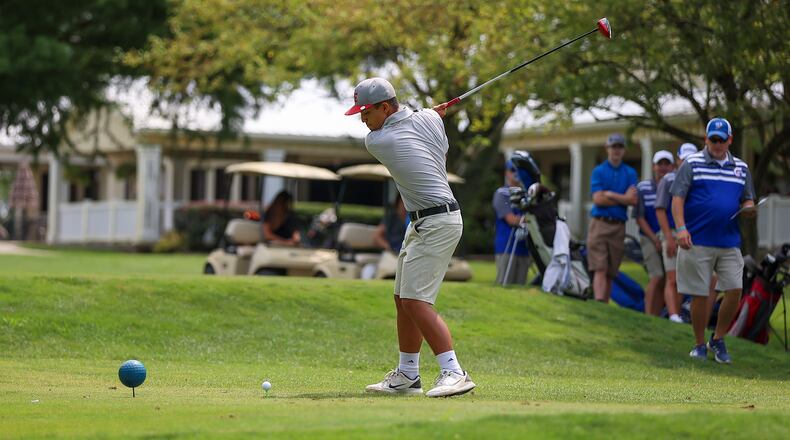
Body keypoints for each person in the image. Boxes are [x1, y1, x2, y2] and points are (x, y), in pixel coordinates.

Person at [345, 77, 475, 397]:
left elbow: (402, 128)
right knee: (402, 300)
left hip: (437, 222)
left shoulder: (378, 141)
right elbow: (421, 120)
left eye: (367, 112)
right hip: (423, 221)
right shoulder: (429, 119)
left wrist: (429, 112)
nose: (363, 120)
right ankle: (407, 375)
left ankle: (453, 372)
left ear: (386, 107)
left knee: (416, 302)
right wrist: (430, 113)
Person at [671, 118, 755, 363]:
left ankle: (717, 339)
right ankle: (699, 344)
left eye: (721, 139)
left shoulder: (742, 168)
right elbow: (677, 198)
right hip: (697, 240)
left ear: (730, 140)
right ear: (706, 139)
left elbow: (747, 199)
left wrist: (749, 208)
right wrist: (680, 229)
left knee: (735, 289)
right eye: (713, 139)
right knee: (699, 295)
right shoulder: (692, 164)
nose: (717, 144)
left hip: (729, 241)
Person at [587, 133, 638, 302]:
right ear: (607, 148)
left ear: (623, 150)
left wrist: (610, 194)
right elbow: (598, 199)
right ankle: (599, 302)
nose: (616, 150)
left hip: (619, 226)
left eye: (619, 147)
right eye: (613, 147)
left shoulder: (630, 173)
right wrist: (622, 198)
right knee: (599, 268)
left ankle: (604, 303)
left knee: (611, 270)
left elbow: (633, 200)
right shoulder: (599, 171)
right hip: (599, 223)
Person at [655, 143, 697, 323]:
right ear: (678, 160)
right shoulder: (669, 179)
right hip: (672, 233)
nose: (687, 162)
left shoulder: (700, 179)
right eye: (684, 159)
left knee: (688, 278)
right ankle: (673, 316)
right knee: (672, 276)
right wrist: (669, 237)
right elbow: (660, 209)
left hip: (694, 233)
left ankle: (681, 314)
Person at [633, 150, 674, 315]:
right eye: (660, 164)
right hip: (649, 237)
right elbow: (639, 218)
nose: (663, 167)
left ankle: (656, 316)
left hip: (668, 237)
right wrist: (654, 239)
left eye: (667, 164)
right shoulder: (643, 187)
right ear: (653, 167)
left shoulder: (676, 187)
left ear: (672, 166)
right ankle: (648, 314)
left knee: (666, 278)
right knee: (656, 276)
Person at [493, 160, 531, 285]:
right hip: (507, 246)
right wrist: (530, 219)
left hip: (524, 247)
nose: (516, 173)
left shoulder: (527, 194)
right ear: (506, 173)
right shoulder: (501, 193)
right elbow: (511, 219)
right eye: (513, 170)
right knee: (505, 283)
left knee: (520, 286)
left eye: (519, 170)